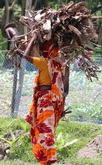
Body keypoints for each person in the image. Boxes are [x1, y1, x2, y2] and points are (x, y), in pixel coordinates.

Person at [20, 30, 69, 165]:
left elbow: (25, 55)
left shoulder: (43, 62)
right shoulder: (61, 65)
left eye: (44, 48)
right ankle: (48, 160)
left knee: (45, 132)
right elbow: (64, 89)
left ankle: (48, 161)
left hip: (45, 102)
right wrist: (62, 108)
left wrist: (33, 38)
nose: (42, 50)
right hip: (53, 102)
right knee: (47, 133)